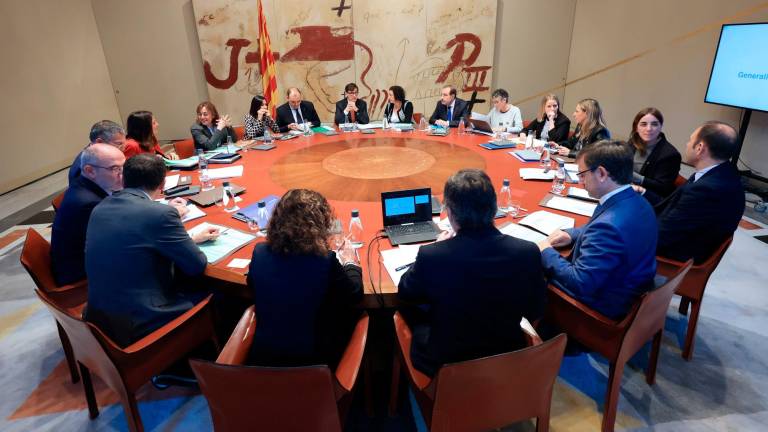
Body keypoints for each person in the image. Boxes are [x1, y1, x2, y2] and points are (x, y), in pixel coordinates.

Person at [398, 169, 546, 377]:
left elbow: (406, 292)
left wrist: (436, 246)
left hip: (447, 365)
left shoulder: (433, 255)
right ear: (494, 207)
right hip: (506, 356)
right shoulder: (527, 252)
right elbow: (535, 309)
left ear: (449, 212)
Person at [85, 154, 220, 347]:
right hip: (140, 322)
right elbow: (196, 266)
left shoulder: (100, 207)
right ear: (163, 184)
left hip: (100, 318)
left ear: (123, 179)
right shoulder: (161, 214)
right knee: (222, 295)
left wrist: (190, 238)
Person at [538, 140, 657, 319]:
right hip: (631, 286)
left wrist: (546, 251)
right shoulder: (638, 201)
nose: (580, 181)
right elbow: (604, 224)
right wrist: (571, 234)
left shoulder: (608, 227)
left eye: (583, 174)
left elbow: (580, 283)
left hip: (602, 307)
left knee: (527, 273)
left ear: (601, 173)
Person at [246, 189, 363, 367]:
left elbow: (252, 285)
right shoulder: (325, 261)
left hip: (264, 362)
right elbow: (354, 294)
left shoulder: (260, 253)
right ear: (320, 224)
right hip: (315, 365)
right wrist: (350, 263)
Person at [636, 121, 745, 263]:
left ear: (699, 148)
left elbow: (660, 237)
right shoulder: (722, 173)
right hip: (677, 244)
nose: (687, 144)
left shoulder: (706, 191)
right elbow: (674, 207)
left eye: (690, 140)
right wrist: (643, 192)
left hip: (669, 261)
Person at [51, 144, 125, 286]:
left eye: (124, 167)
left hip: (89, 259)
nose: (123, 174)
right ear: (90, 170)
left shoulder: (86, 185)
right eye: (115, 168)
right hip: (83, 277)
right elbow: (118, 241)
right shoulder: (88, 204)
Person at [627, 108, 681, 198]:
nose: (649, 129)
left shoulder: (670, 155)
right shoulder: (632, 142)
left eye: (654, 124)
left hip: (648, 199)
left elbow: (663, 188)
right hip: (627, 192)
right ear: (636, 128)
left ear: (661, 127)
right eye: (643, 124)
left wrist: (628, 174)